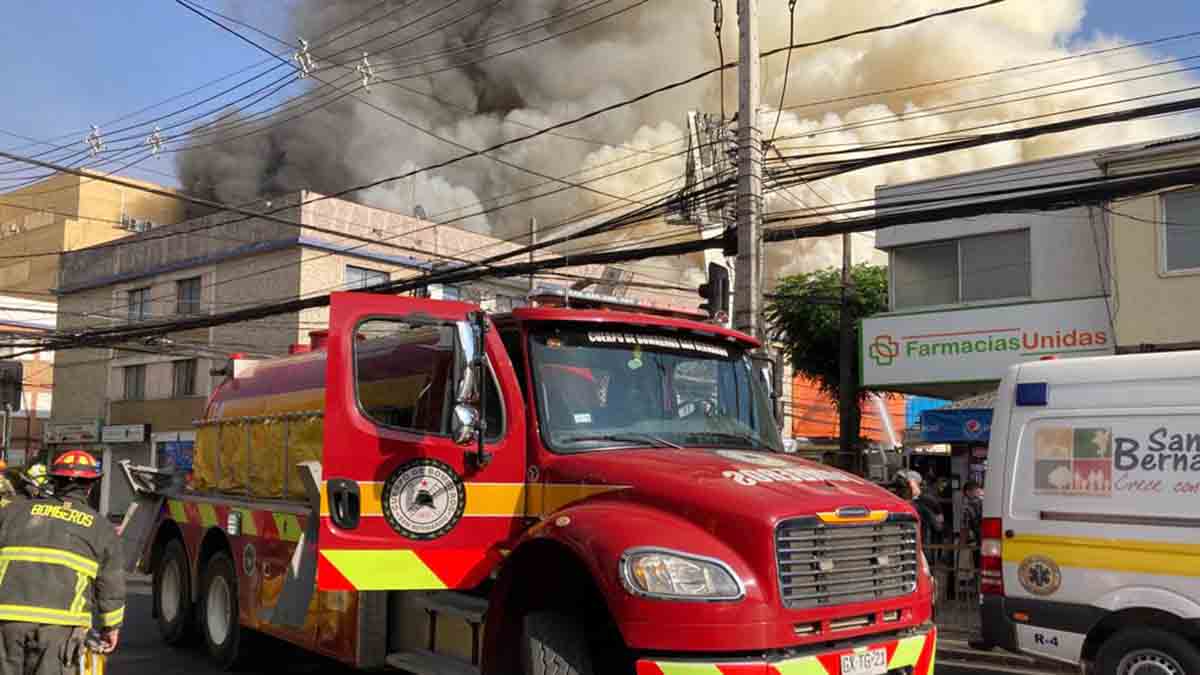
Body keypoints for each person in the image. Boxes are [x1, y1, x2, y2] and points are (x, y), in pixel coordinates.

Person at [0, 450, 123, 675]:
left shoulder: (12, 512)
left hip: (6, 620)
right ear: (91, 485)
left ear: (54, 481)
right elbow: (111, 583)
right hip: (60, 626)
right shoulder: (100, 528)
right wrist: (110, 626)